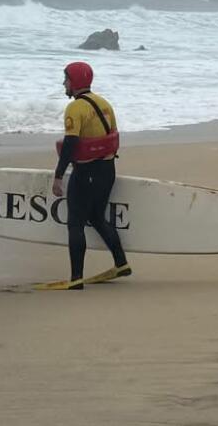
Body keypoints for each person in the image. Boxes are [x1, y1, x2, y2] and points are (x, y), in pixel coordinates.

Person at [47, 61, 130, 290]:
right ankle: (121, 263)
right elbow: (112, 136)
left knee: (75, 223)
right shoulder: (105, 104)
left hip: (86, 173)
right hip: (108, 170)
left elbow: (70, 145)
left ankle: (76, 278)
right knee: (96, 217)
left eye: (66, 79)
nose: (64, 83)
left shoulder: (75, 109)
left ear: (74, 81)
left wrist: (58, 176)